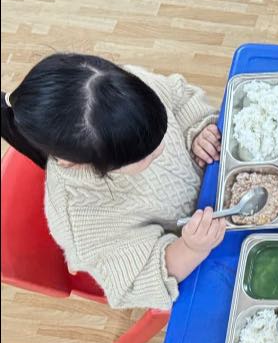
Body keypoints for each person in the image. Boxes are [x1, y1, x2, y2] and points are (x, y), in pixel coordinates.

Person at [2, 53, 225, 309]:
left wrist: (198, 130)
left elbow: (180, 98)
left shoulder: (121, 89)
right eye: (143, 156)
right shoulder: (85, 221)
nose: (161, 149)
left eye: (161, 132)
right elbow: (137, 281)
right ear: (73, 162)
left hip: (216, 182)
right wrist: (191, 248)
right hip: (200, 255)